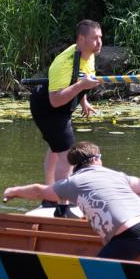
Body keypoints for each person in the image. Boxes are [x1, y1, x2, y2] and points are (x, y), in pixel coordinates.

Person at [3, 142, 140, 260]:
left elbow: (39, 192)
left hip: (129, 236)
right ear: (97, 159)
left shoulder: (72, 183)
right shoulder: (116, 174)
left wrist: (13, 191)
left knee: (97, 274)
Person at [28, 20, 103, 216]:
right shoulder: (63, 63)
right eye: (95, 38)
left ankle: (50, 196)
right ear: (81, 38)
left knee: (56, 150)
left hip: (61, 109)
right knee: (68, 157)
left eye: (100, 38)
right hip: (48, 108)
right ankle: (62, 206)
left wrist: (83, 100)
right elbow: (55, 100)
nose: (99, 42)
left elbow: (81, 79)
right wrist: (81, 87)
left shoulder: (89, 55)